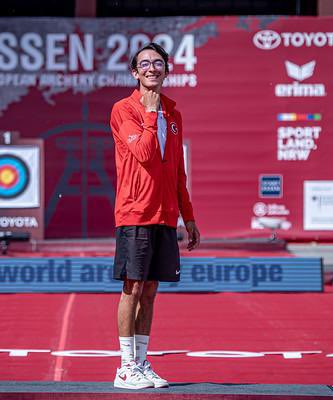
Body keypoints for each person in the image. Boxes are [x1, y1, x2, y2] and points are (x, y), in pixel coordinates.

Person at [109, 42, 200, 390]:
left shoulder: (174, 115)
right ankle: (125, 367)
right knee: (131, 289)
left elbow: (177, 172)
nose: (151, 68)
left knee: (150, 291)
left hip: (165, 215)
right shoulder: (124, 110)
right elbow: (145, 153)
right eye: (144, 63)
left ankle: (142, 362)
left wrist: (187, 217)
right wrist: (149, 113)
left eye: (158, 63)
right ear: (135, 72)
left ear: (166, 70)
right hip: (135, 212)